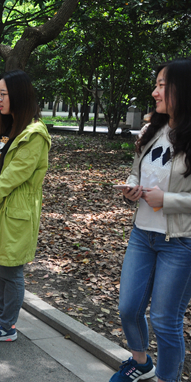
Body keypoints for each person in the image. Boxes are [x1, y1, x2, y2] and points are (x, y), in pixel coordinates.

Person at [111, 58, 191, 382]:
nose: (154, 92)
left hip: (181, 242)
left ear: (181, 90)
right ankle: (141, 361)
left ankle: (166, 378)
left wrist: (167, 201)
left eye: (161, 85)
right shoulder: (151, 130)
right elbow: (137, 170)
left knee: (164, 320)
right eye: (156, 84)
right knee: (128, 308)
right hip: (142, 235)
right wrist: (132, 186)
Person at [0, 70, 51, 342]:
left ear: (19, 95)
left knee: (11, 269)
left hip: (15, 211)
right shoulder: (2, 127)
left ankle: (8, 326)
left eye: (3, 94)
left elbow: (13, 176)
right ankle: (2, 312)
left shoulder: (34, 134)